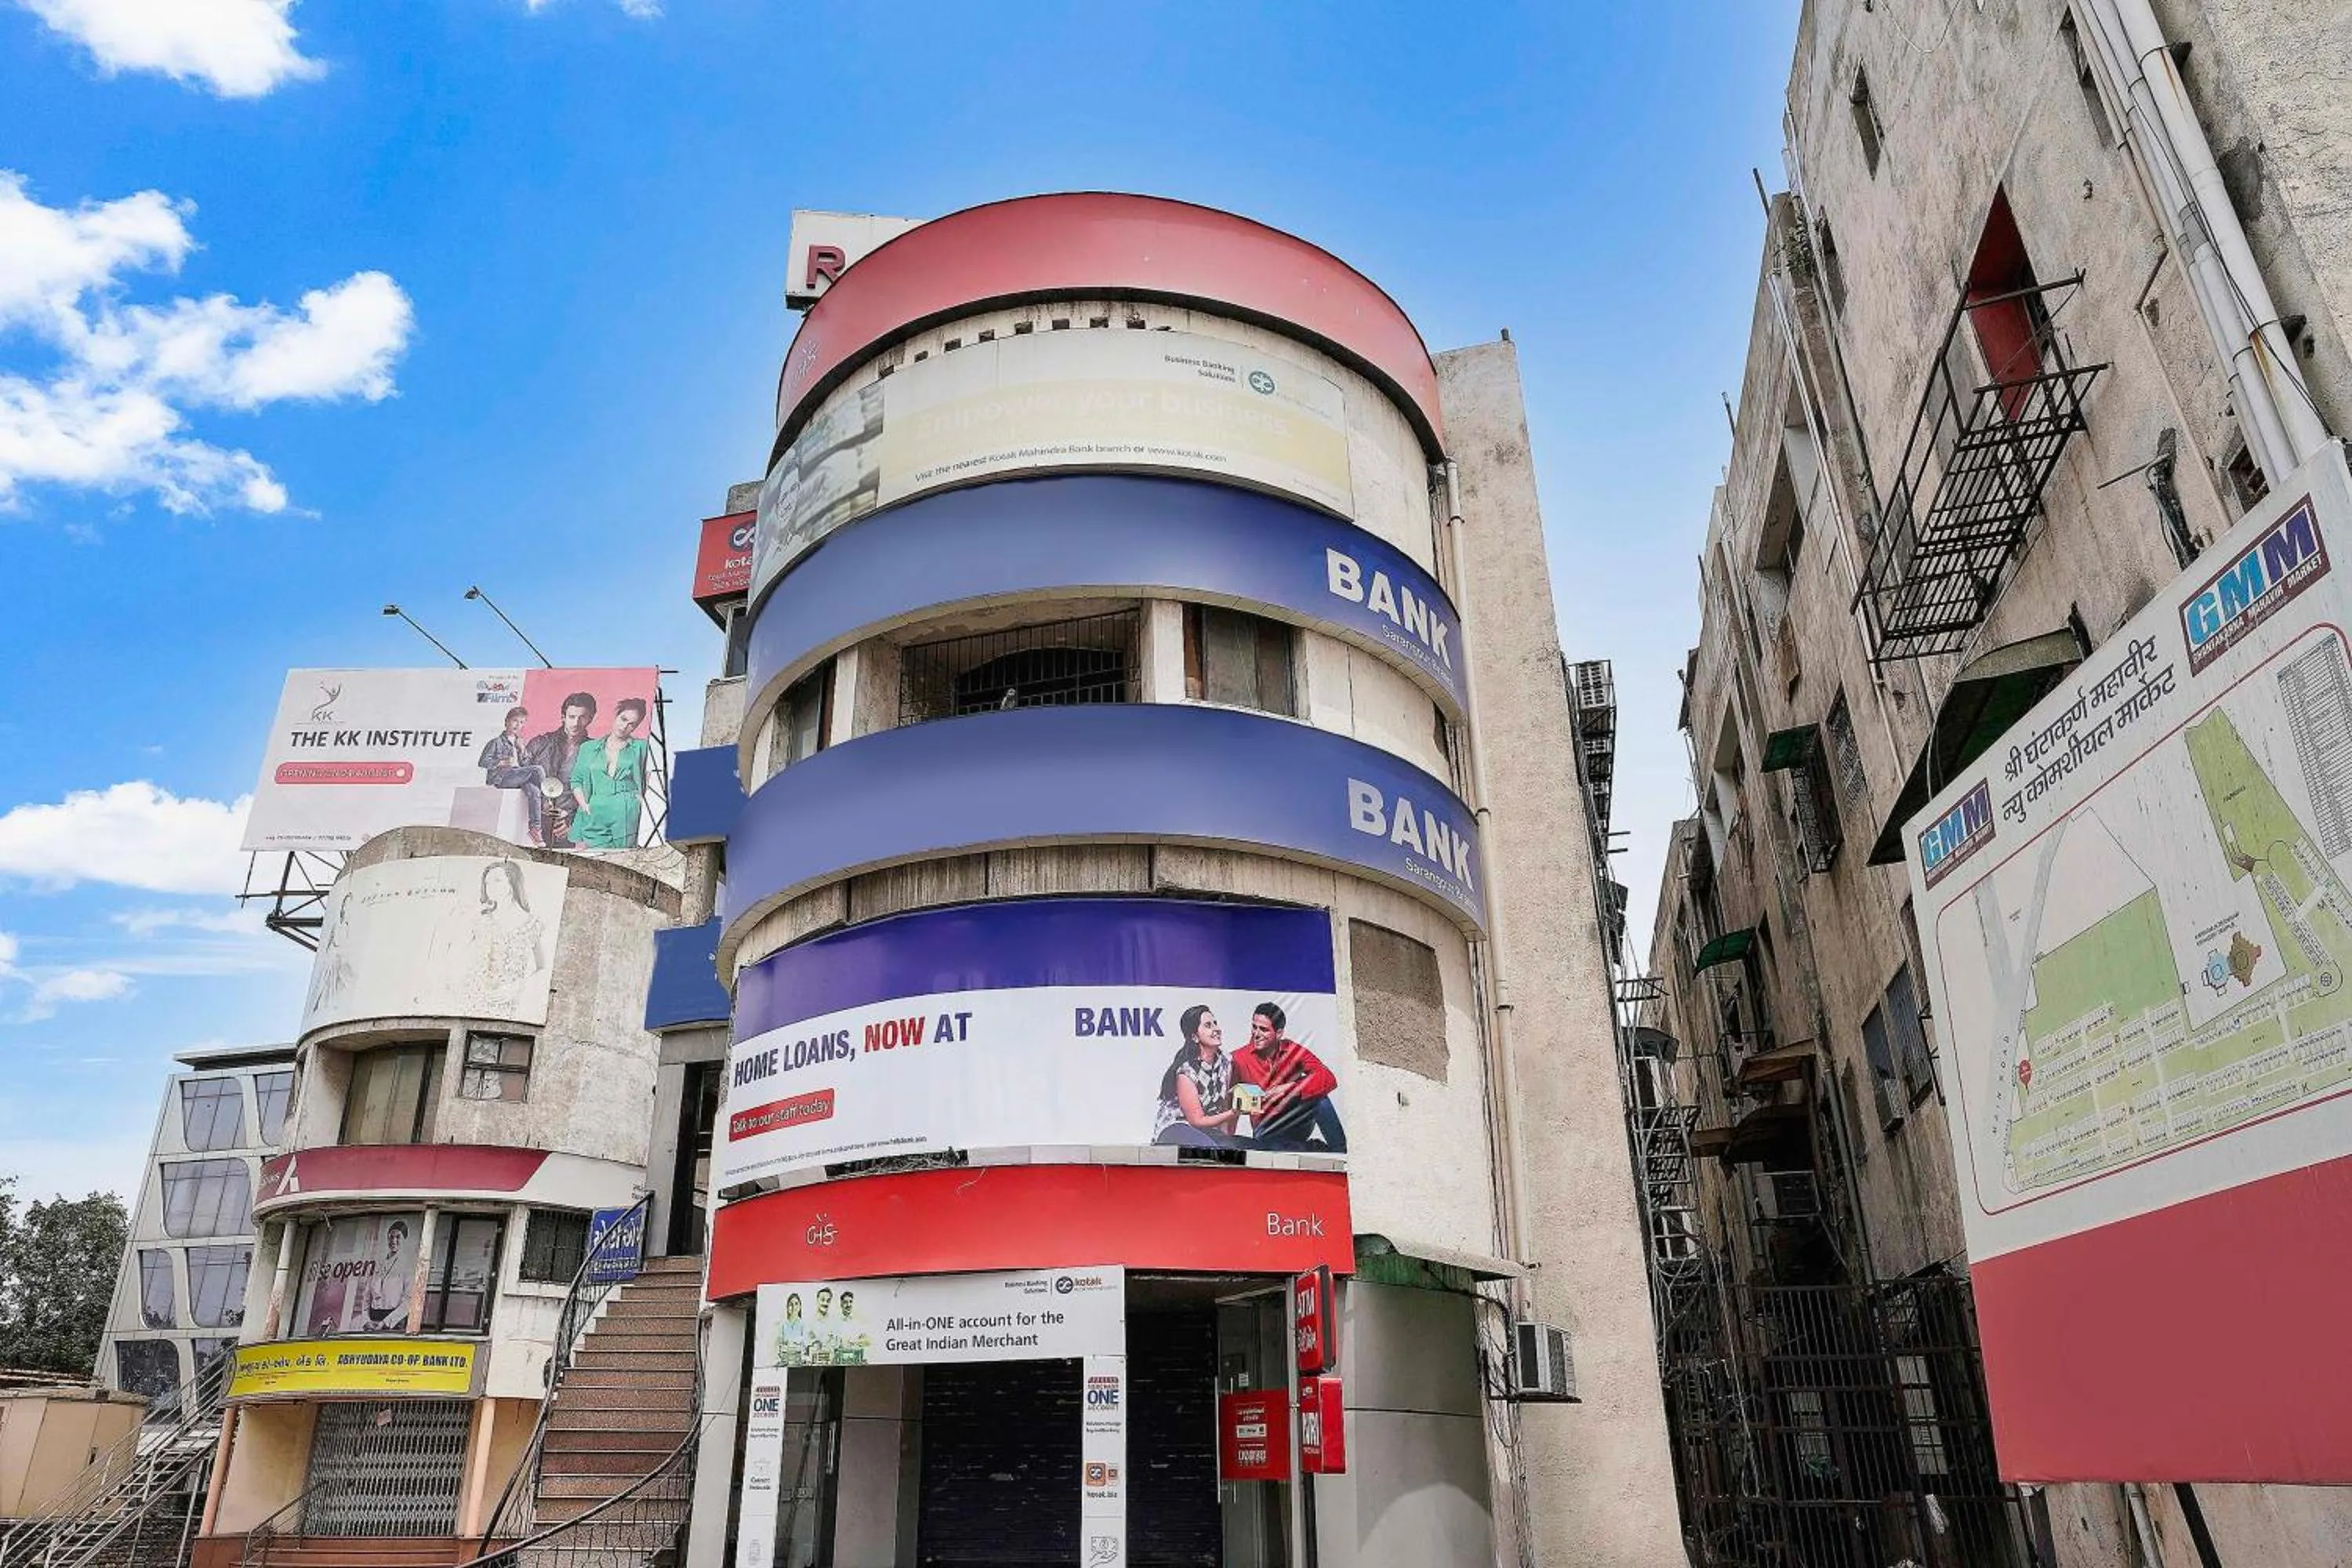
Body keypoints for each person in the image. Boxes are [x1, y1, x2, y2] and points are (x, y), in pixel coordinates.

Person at [1232, 1002, 1348, 1152]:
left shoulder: (1293, 1050)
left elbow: (1328, 1077)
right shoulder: (1238, 1058)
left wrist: (1290, 1089)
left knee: (1320, 1099)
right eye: (1254, 1027)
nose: (1256, 1034)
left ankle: (1342, 1152)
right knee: (1277, 1150)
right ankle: (1313, 1148)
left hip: (1297, 1120)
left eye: (1264, 1030)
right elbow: (1230, 1106)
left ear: (1279, 1033)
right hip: (1266, 1128)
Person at [1152, 1004, 1242, 1148]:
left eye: (1215, 1023)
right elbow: (1196, 1120)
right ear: (1194, 1037)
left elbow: (1223, 1107)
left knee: (1234, 1148)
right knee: (1209, 1149)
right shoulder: (1187, 1071)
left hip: (1203, 1130)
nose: (1216, 1029)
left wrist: (1226, 1141)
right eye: (1208, 1025)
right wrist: (1234, 1113)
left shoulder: (1226, 1063)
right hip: (1176, 1127)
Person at [568, 697, 649, 849]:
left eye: (632, 724)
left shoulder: (641, 747)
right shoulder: (588, 748)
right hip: (595, 809)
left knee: (623, 859)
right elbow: (576, 780)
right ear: (616, 716)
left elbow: (648, 774)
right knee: (595, 859)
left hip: (626, 810)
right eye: (623, 719)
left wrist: (637, 800)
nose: (625, 726)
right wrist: (585, 805)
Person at [469, 859, 547, 1010]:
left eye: (497, 880)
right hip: (474, 999)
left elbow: (543, 968)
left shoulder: (532, 924)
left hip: (507, 1004)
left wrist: (518, 987)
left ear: (512, 884)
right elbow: (460, 958)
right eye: (487, 883)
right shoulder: (480, 921)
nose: (490, 887)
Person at [524, 693, 597, 845]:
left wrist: (574, 824)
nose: (576, 723)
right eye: (571, 716)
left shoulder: (597, 752)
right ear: (563, 716)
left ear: (591, 718)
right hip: (529, 826)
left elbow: (598, 795)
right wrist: (542, 801)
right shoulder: (539, 744)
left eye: (582, 717)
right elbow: (520, 780)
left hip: (565, 831)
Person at [477, 708, 549, 843]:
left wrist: (522, 750)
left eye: (521, 722)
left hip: (518, 776)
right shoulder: (496, 742)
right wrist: (501, 762)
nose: (518, 725)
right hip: (503, 778)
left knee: (534, 791)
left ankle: (535, 829)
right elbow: (483, 762)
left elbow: (526, 764)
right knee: (538, 769)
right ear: (507, 722)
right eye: (515, 721)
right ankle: (547, 802)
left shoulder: (520, 742)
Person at [365, 1221, 414, 1331]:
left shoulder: (408, 1266)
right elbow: (367, 1296)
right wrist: (366, 1320)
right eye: (391, 1237)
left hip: (394, 1322)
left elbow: (408, 1301)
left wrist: (386, 1323)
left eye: (398, 1237)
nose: (394, 1241)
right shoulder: (379, 1263)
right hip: (373, 1320)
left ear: (405, 1240)